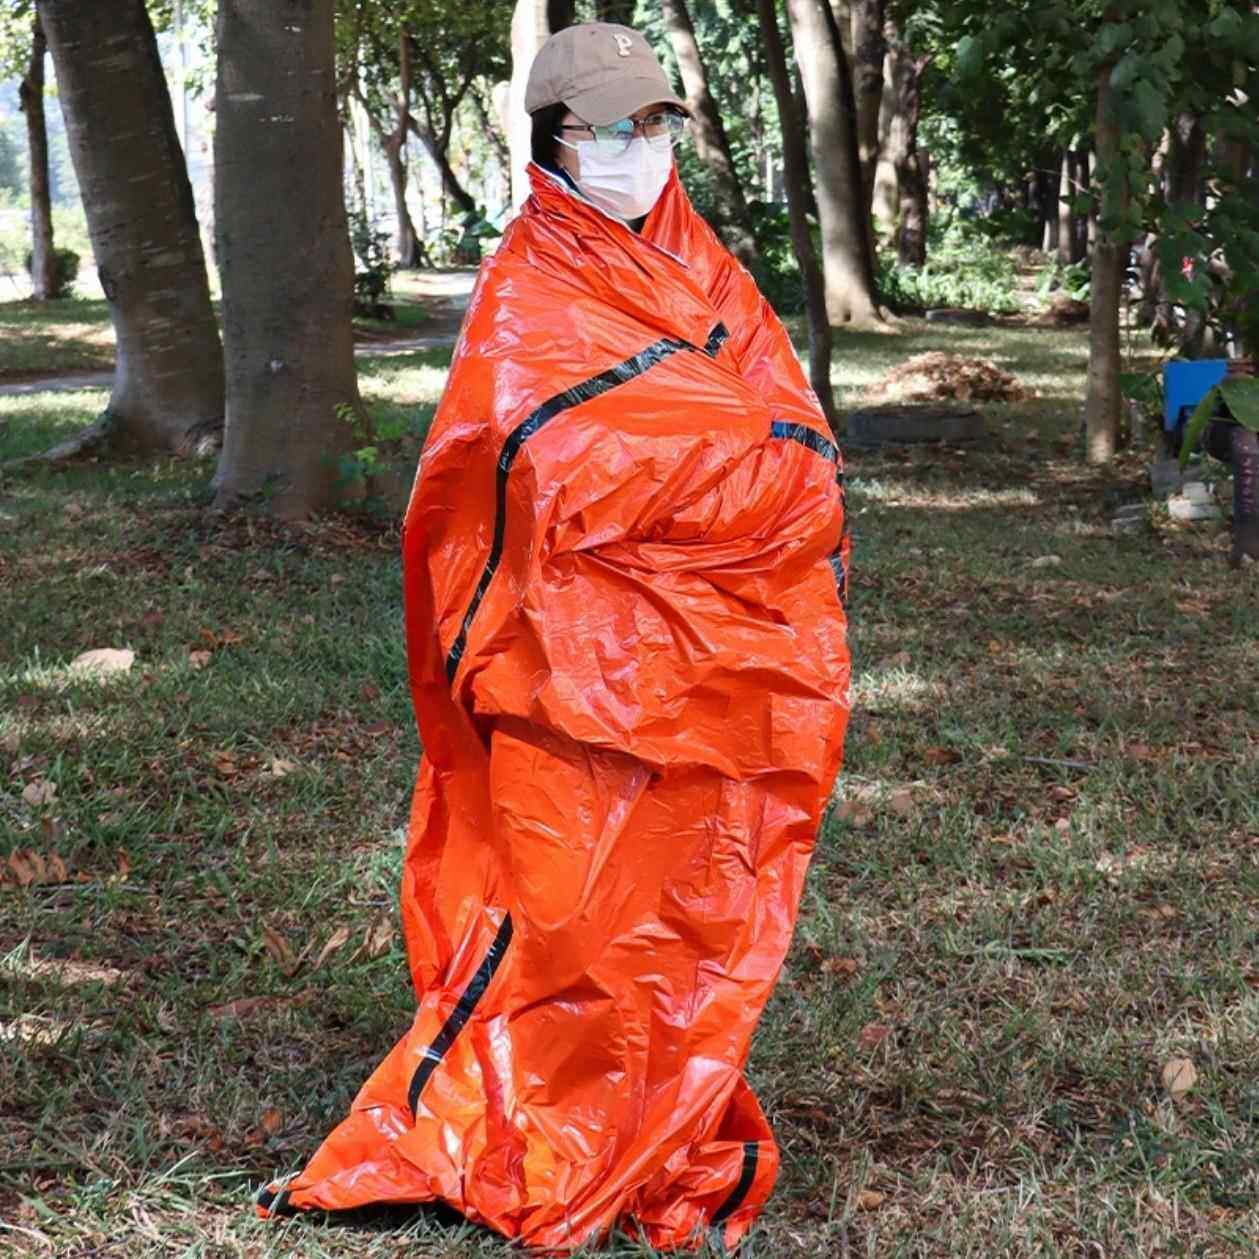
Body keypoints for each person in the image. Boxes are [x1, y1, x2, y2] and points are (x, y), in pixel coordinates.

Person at [257, 22, 851, 1253]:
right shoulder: (531, 290)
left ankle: (656, 1116)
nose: (637, 147)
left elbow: (798, 451)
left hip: (722, 660)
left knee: (688, 904)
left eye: (654, 123)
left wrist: (720, 477)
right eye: (608, 127)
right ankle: (544, 1124)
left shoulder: (705, 268)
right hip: (567, 665)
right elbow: (548, 470)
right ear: (552, 140)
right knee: (567, 908)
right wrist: (720, 471)